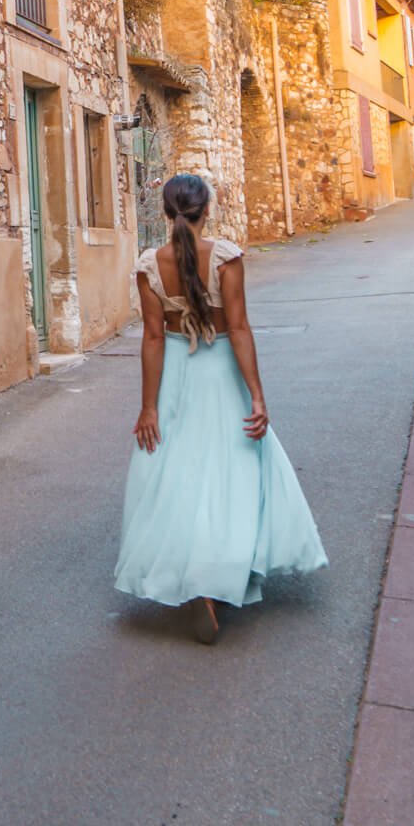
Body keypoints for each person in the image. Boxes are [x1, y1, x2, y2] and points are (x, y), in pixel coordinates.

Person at [114, 173, 327, 643]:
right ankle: (218, 574)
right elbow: (240, 328)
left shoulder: (150, 264)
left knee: (175, 474)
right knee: (230, 472)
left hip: (175, 375)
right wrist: (256, 395)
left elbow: (152, 338)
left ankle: (194, 581)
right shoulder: (227, 257)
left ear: (167, 213)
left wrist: (148, 407)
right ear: (205, 210)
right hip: (220, 373)